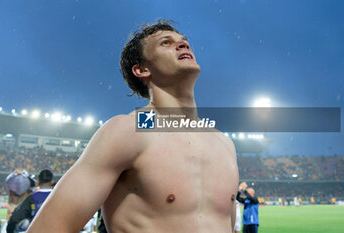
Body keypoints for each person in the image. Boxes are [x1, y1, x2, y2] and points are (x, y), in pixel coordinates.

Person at [27, 19, 239, 233]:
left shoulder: (224, 144)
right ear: (142, 69)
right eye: (165, 43)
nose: (183, 45)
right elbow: (49, 227)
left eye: (184, 42)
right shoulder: (126, 132)